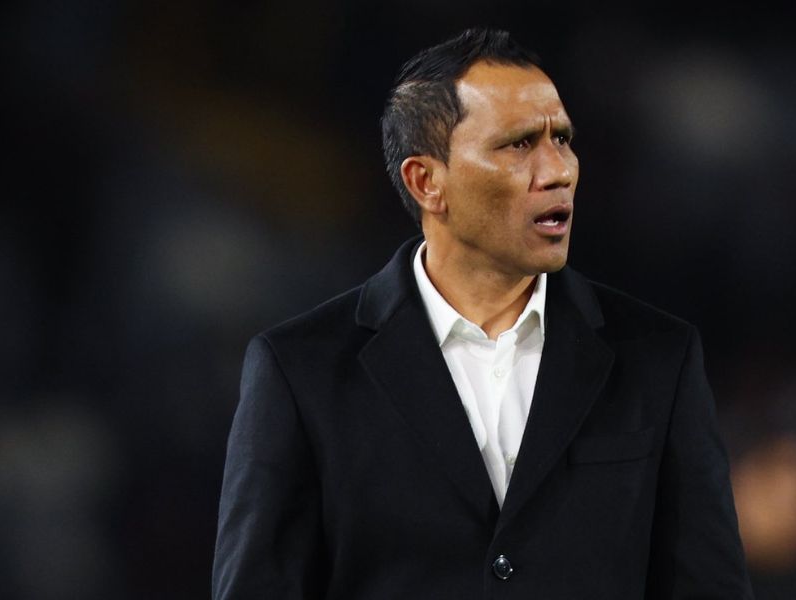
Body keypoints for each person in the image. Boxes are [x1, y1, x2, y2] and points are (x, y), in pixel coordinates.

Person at [213, 28, 753, 599]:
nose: (559, 170)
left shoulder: (658, 357)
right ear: (427, 182)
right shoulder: (302, 371)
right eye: (519, 145)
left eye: (562, 138)